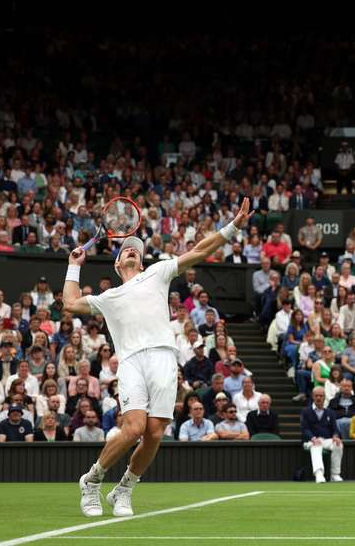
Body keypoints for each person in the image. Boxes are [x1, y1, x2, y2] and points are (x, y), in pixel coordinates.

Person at [64, 196, 253, 517]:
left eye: (135, 247)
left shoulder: (158, 272)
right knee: (134, 427)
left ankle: (124, 489)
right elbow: (70, 304)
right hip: (132, 361)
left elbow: (200, 251)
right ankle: (92, 480)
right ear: (117, 263)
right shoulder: (108, 297)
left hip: (165, 359)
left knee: (154, 433)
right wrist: (73, 266)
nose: (132, 249)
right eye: (126, 249)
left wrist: (233, 227)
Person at [300, 386, 344, 483]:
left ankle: (335, 474)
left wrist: (336, 436)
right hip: (310, 441)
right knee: (316, 446)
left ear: (324, 397)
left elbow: (335, 428)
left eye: (321, 396)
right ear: (313, 397)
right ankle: (319, 474)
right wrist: (313, 438)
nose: (319, 398)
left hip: (326, 440)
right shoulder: (305, 412)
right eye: (316, 396)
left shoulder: (330, 412)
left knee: (338, 444)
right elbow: (304, 429)